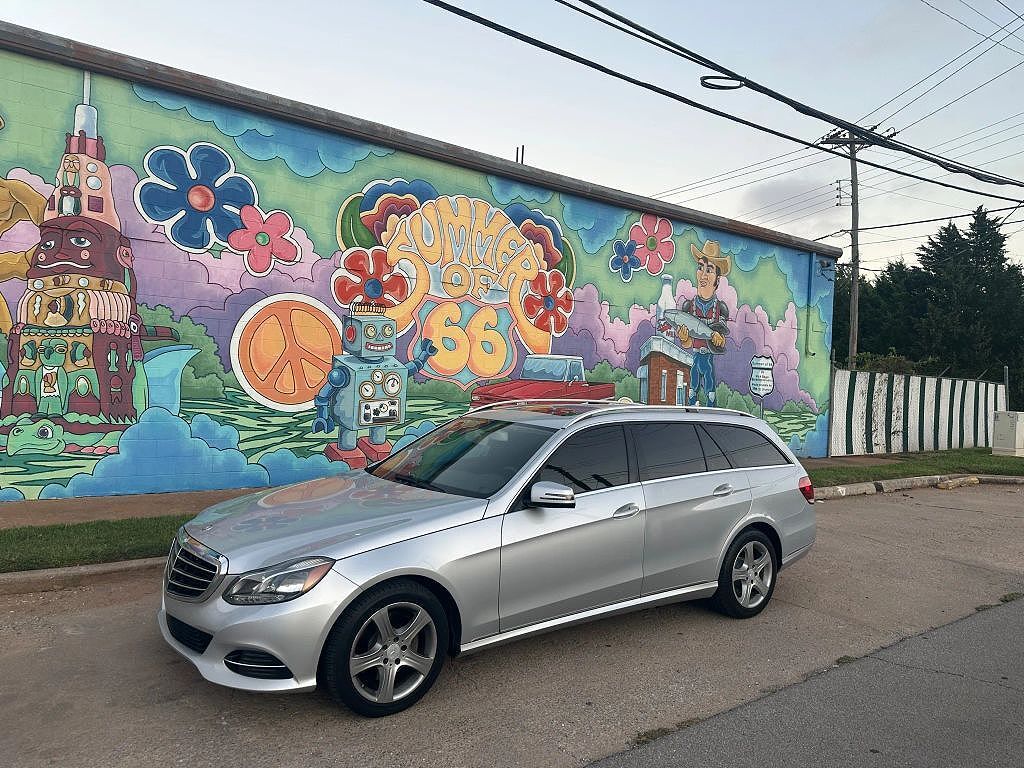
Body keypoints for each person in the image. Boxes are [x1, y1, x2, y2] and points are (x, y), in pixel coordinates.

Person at [676, 239, 731, 406]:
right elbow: (686, 344)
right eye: (700, 267)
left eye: (709, 269)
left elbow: (722, 340)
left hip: (708, 358)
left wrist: (719, 339)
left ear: (717, 279)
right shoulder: (688, 306)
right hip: (695, 356)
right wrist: (684, 338)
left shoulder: (721, 308)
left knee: (710, 389)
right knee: (692, 388)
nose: (703, 274)